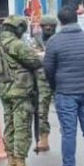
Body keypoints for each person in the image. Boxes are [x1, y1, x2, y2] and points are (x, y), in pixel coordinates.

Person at [43, 5, 84, 166]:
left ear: (60, 22)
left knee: (68, 132)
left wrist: (55, 85)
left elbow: (48, 68)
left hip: (65, 91)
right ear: (76, 19)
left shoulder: (54, 41)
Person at [0, 15, 44, 166]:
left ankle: (11, 163)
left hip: (6, 89)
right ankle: (21, 165)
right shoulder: (16, 44)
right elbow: (34, 61)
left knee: (10, 126)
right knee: (22, 127)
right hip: (20, 91)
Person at [31, 15, 58, 153]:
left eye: (51, 26)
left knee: (65, 110)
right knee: (41, 110)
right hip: (42, 79)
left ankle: (67, 138)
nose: (48, 28)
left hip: (59, 79)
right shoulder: (36, 40)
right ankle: (43, 138)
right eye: (45, 26)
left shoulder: (59, 39)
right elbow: (33, 57)